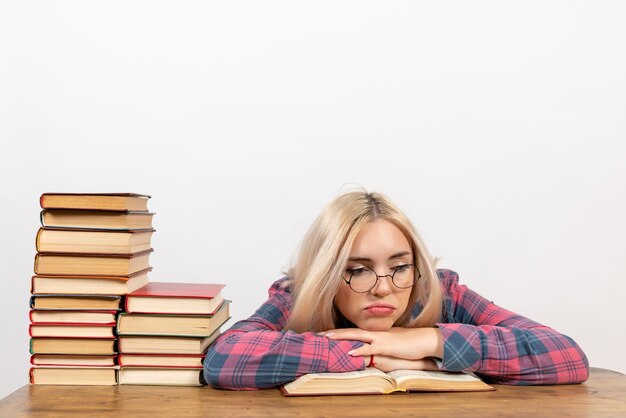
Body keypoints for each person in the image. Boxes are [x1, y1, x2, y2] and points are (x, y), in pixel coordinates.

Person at [203, 191, 589, 390]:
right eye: (358, 270)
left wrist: (429, 342)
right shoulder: (297, 295)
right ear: (326, 274)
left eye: (399, 266)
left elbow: (567, 356)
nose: (384, 288)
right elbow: (224, 359)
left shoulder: (440, 292)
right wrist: (374, 356)